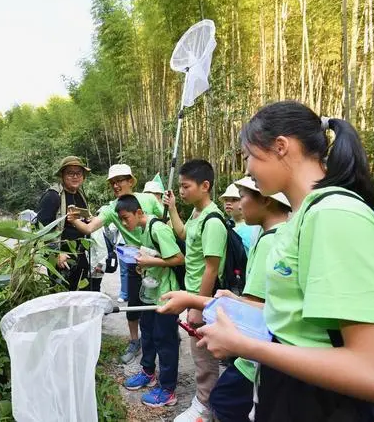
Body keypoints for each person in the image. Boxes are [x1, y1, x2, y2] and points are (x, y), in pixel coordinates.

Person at [159, 101, 374, 420]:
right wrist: (205, 300)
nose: (247, 168)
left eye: (248, 155)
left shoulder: (335, 217)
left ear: (280, 147)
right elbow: (298, 322)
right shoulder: (304, 218)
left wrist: (246, 347)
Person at [208, 176, 291, 422]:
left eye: (243, 197)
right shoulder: (285, 233)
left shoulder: (268, 242)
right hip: (275, 353)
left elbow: (255, 309)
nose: (240, 204)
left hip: (258, 357)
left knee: (223, 402)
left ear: (265, 199)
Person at [68, 164, 164, 364]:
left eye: (120, 180)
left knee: (159, 302)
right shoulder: (112, 208)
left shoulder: (148, 199)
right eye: (112, 182)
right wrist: (74, 220)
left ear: (131, 180)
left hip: (156, 260)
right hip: (134, 262)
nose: (116, 185)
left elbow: (163, 220)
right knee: (135, 305)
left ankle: (162, 338)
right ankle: (134, 341)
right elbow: (89, 228)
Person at [163, 159, 227, 422]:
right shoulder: (197, 214)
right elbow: (182, 234)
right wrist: (174, 209)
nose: (181, 191)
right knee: (200, 352)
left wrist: (198, 306)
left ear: (205, 186)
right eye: (180, 186)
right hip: (194, 295)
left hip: (203, 299)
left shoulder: (213, 220)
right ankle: (205, 400)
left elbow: (212, 269)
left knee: (203, 356)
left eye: (186, 186)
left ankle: (205, 406)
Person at [116, 195, 184, 407]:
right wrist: (143, 264)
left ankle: (168, 389)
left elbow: (179, 258)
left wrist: (148, 261)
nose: (125, 224)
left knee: (165, 341)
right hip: (150, 294)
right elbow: (155, 257)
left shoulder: (158, 229)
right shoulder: (143, 231)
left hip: (165, 295)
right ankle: (148, 372)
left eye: (126, 218)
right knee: (148, 333)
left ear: (138, 213)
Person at [35, 156, 91, 291]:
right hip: (61, 258)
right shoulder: (52, 196)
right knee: (62, 298)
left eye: (78, 173)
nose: (75, 176)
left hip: (80, 254)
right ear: (62, 175)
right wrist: (56, 253)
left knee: (81, 295)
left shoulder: (80, 195)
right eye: (70, 173)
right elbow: (42, 228)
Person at [220, 183, 260, 253]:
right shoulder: (227, 224)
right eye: (226, 200)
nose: (228, 203)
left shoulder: (251, 227)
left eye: (234, 199)